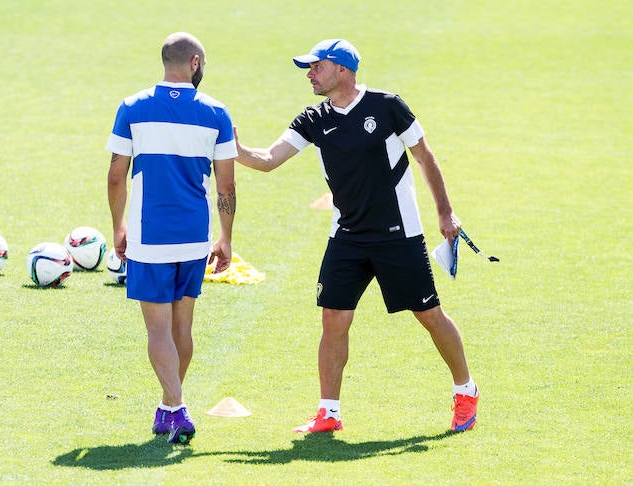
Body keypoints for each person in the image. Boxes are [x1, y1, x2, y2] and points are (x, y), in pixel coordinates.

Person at [234, 39, 479, 433]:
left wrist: (446, 213)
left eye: (316, 67)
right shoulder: (313, 118)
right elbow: (268, 160)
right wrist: (236, 148)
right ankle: (328, 412)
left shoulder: (387, 106)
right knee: (333, 317)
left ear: (342, 70)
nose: (309, 74)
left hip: (398, 234)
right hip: (347, 235)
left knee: (429, 314)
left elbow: (425, 157)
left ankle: (466, 391)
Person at [106, 32, 237, 444]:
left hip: (149, 236)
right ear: (195, 62)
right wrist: (226, 237)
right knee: (184, 328)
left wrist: (118, 228)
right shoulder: (217, 112)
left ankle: (177, 408)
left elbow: (115, 176)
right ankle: (168, 408)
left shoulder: (132, 107)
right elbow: (226, 187)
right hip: (195, 237)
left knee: (158, 331)